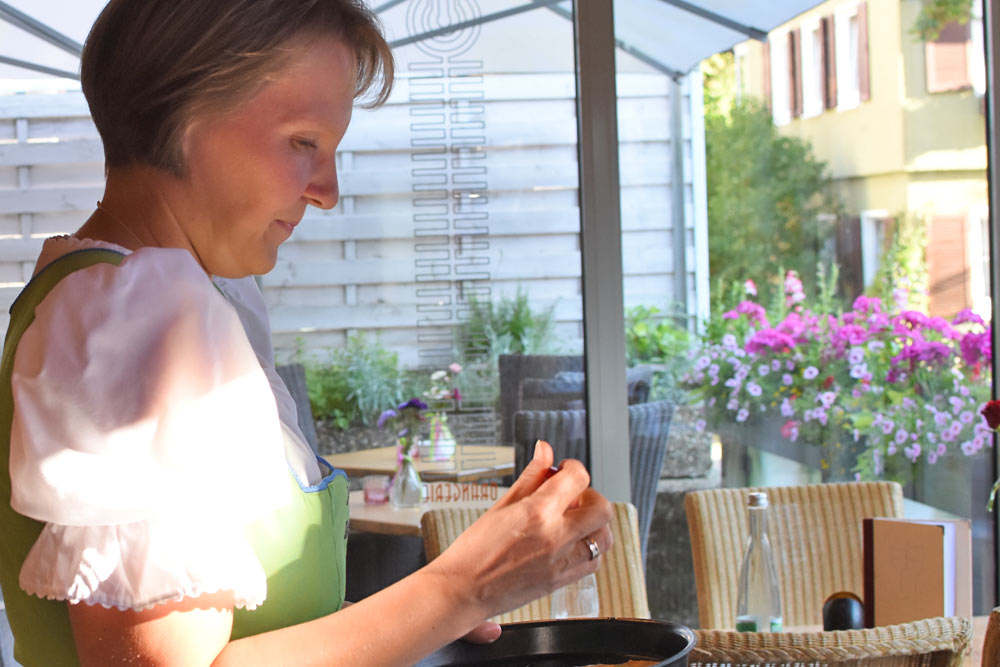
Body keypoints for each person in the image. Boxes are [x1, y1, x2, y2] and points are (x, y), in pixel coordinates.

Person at [0, 1, 614, 665]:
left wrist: (417, 617)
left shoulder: (129, 298)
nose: (328, 190)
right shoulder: (142, 315)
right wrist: (463, 588)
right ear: (186, 113)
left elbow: (245, 633)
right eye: (303, 142)